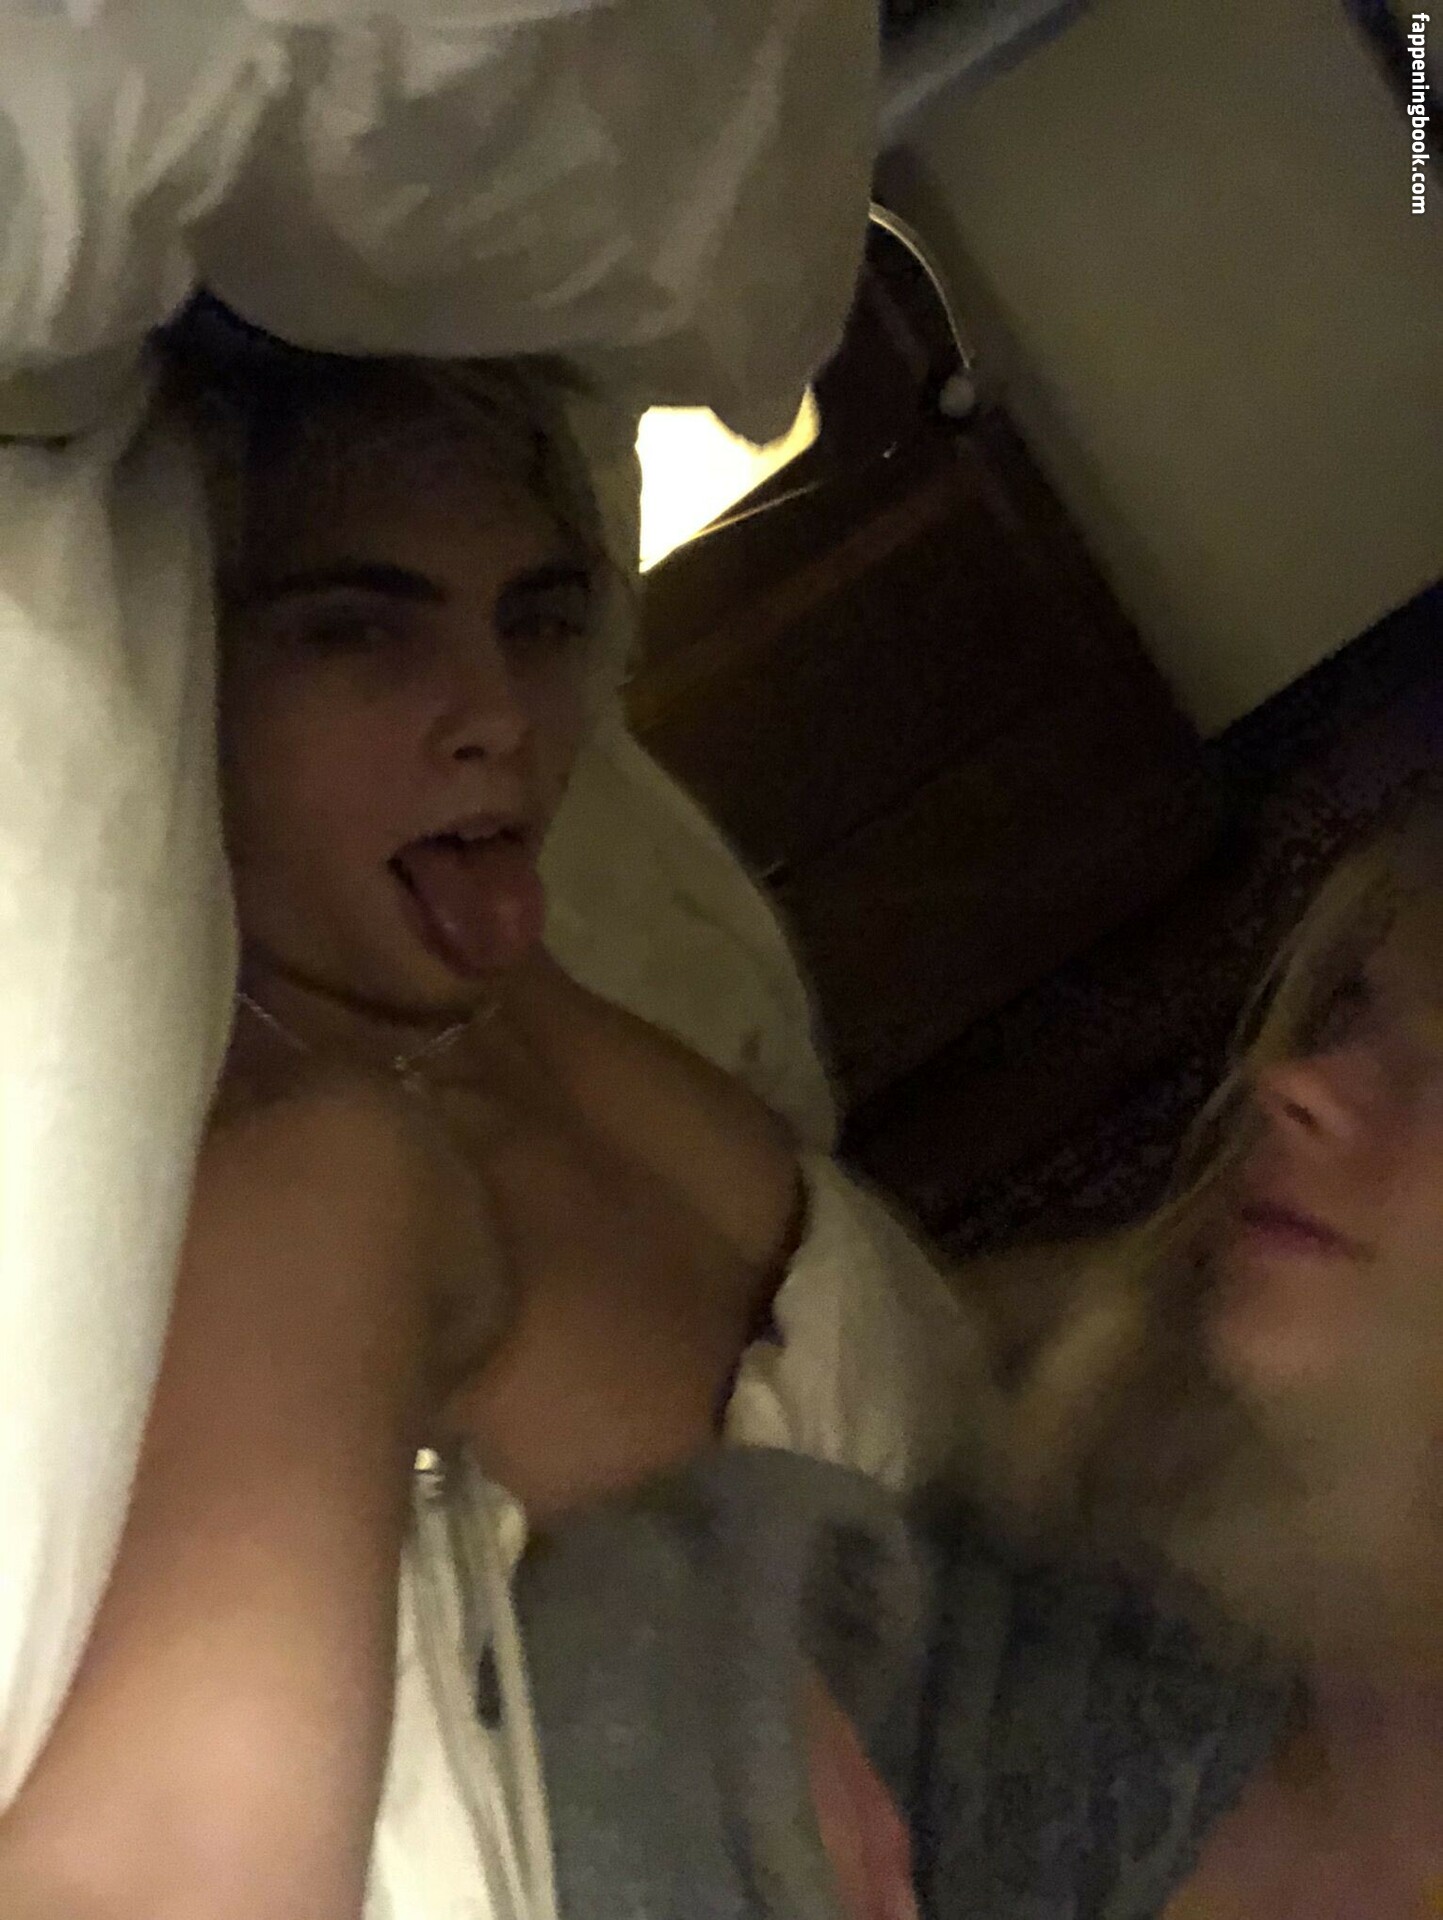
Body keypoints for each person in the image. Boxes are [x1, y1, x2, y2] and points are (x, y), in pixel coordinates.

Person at [0, 310, 979, 1920]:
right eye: (360, 633)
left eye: (536, 622)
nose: (499, 714)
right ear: (195, 684)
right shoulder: (298, 1204)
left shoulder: (541, 996)